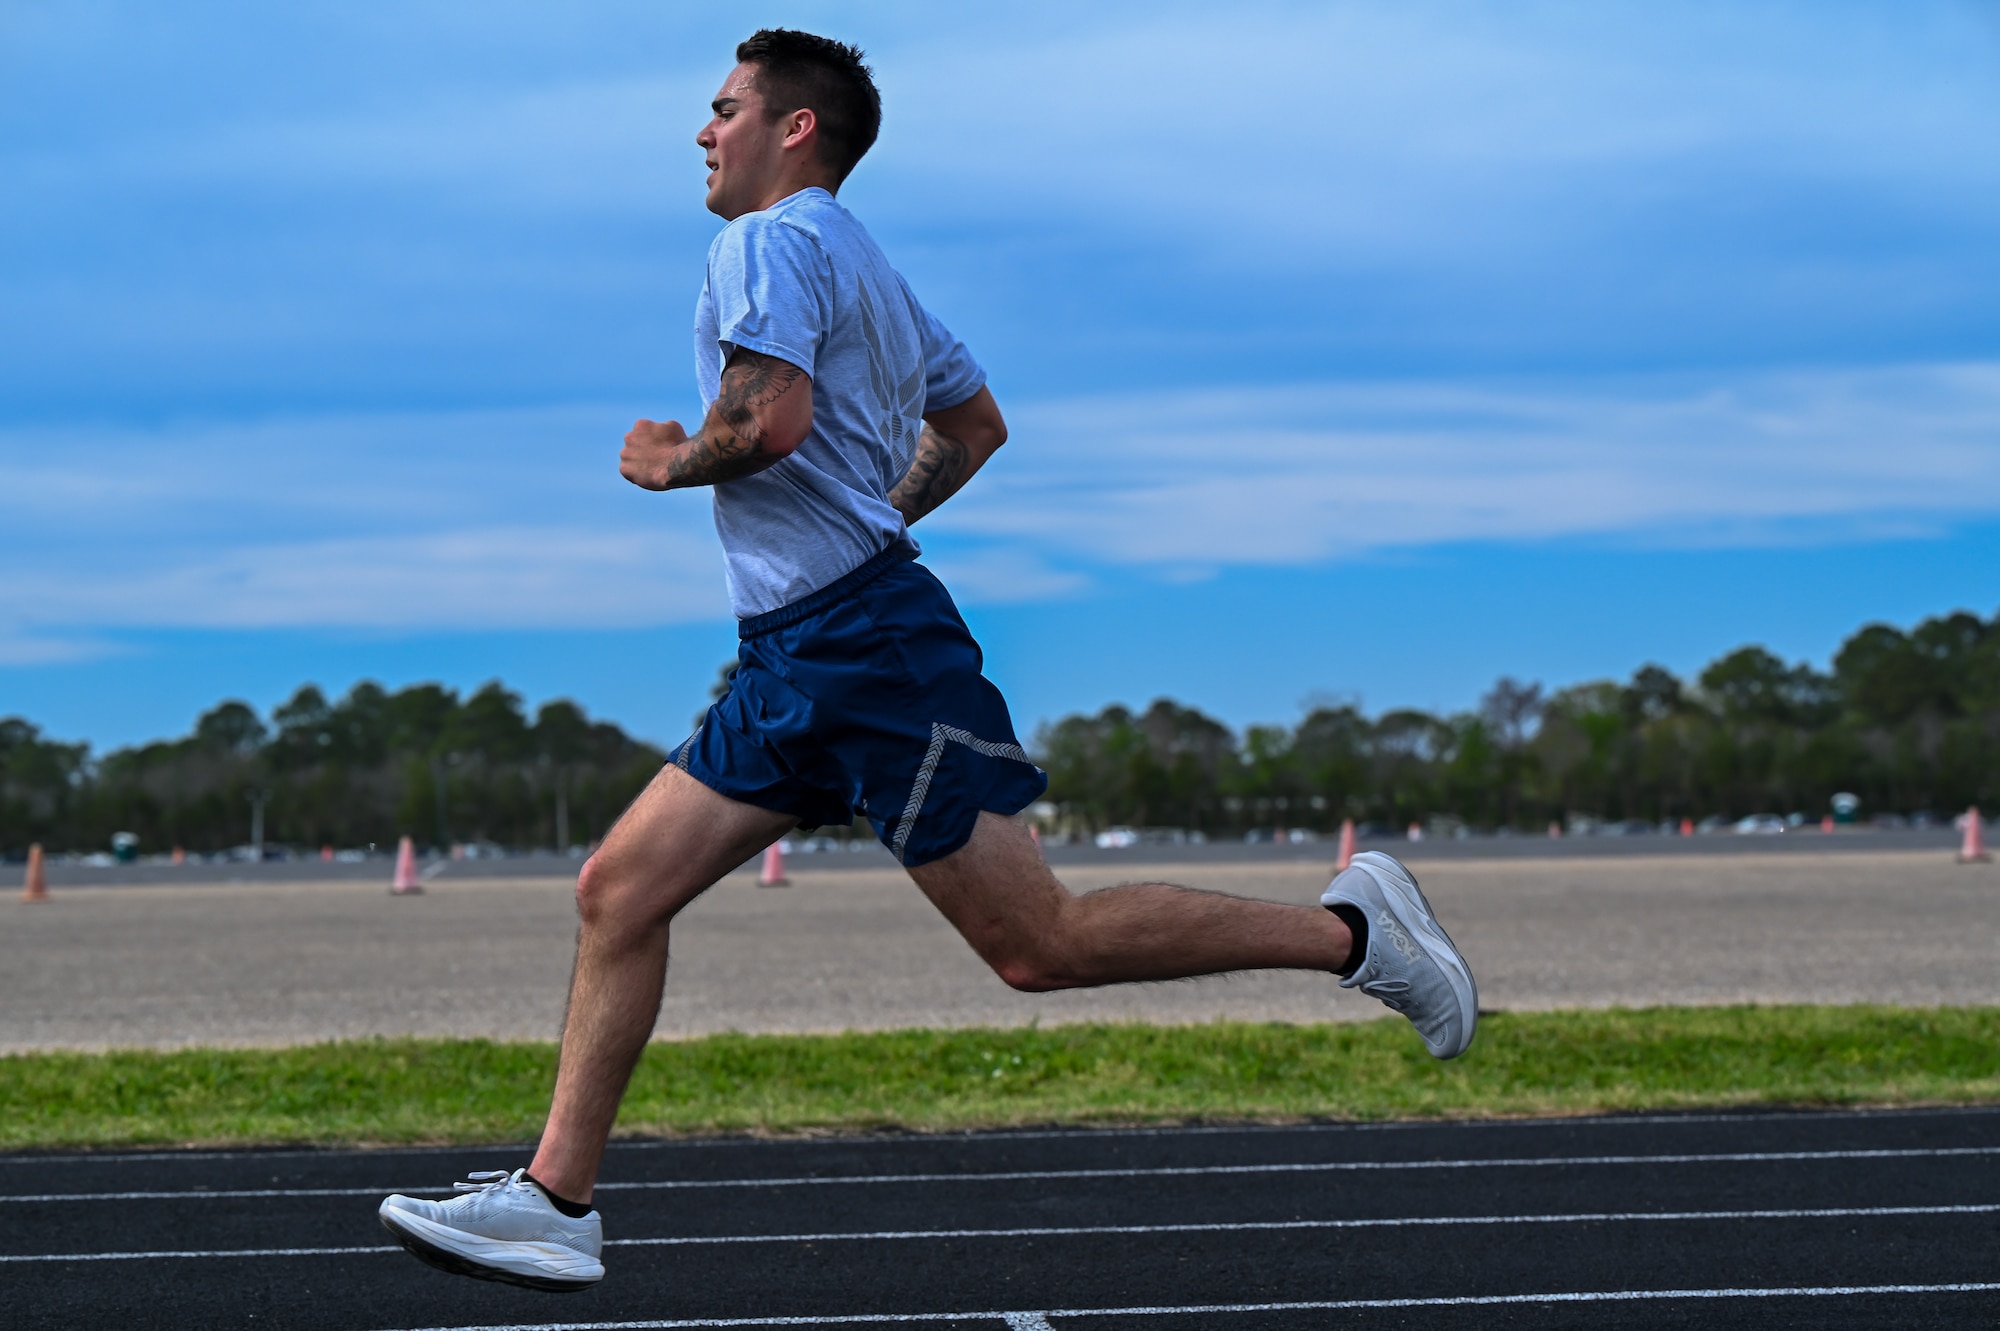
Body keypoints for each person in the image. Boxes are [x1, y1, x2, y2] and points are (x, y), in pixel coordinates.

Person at [377, 29, 1477, 1292]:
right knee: (616, 891)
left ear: (796, 129)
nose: (702, 131)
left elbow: (766, 420)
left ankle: (1353, 934)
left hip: (864, 650)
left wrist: (665, 460)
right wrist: (877, 517)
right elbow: (974, 423)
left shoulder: (769, 243)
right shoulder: (868, 269)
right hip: (800, 651)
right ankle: (556, 1198)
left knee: (1037, 942)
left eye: (724, 108)